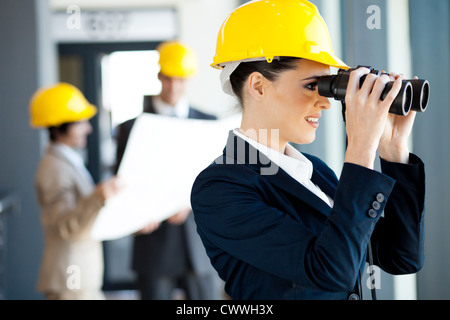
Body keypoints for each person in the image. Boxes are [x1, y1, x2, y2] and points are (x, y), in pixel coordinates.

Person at [190, 0, 425, 300]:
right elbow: (331, 272)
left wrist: (393, 150)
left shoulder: (315, 173)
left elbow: (400, 256)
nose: (326, 101)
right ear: (259, 86)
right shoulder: (219, 188)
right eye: (312, 85)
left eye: (328, 86)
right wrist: (361, 147)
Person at [115, 41, 221, 300]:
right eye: (169, 79)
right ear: (159, 76)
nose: (174, 87)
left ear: (189, 81)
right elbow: (125, 184)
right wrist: (140, 214)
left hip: (199, 240)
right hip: (154, 241)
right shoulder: (132, 128)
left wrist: (187, 203)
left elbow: (218, 183)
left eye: (181, 80)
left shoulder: (209, 124)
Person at [30, 83, 122, 300]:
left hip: (78, 277)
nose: (88, 128)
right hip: (72, 278)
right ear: (59, 126)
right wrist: (98, 196)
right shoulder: (54, 167)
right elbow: (65, 225)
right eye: (80, 122)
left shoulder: (66, 161)